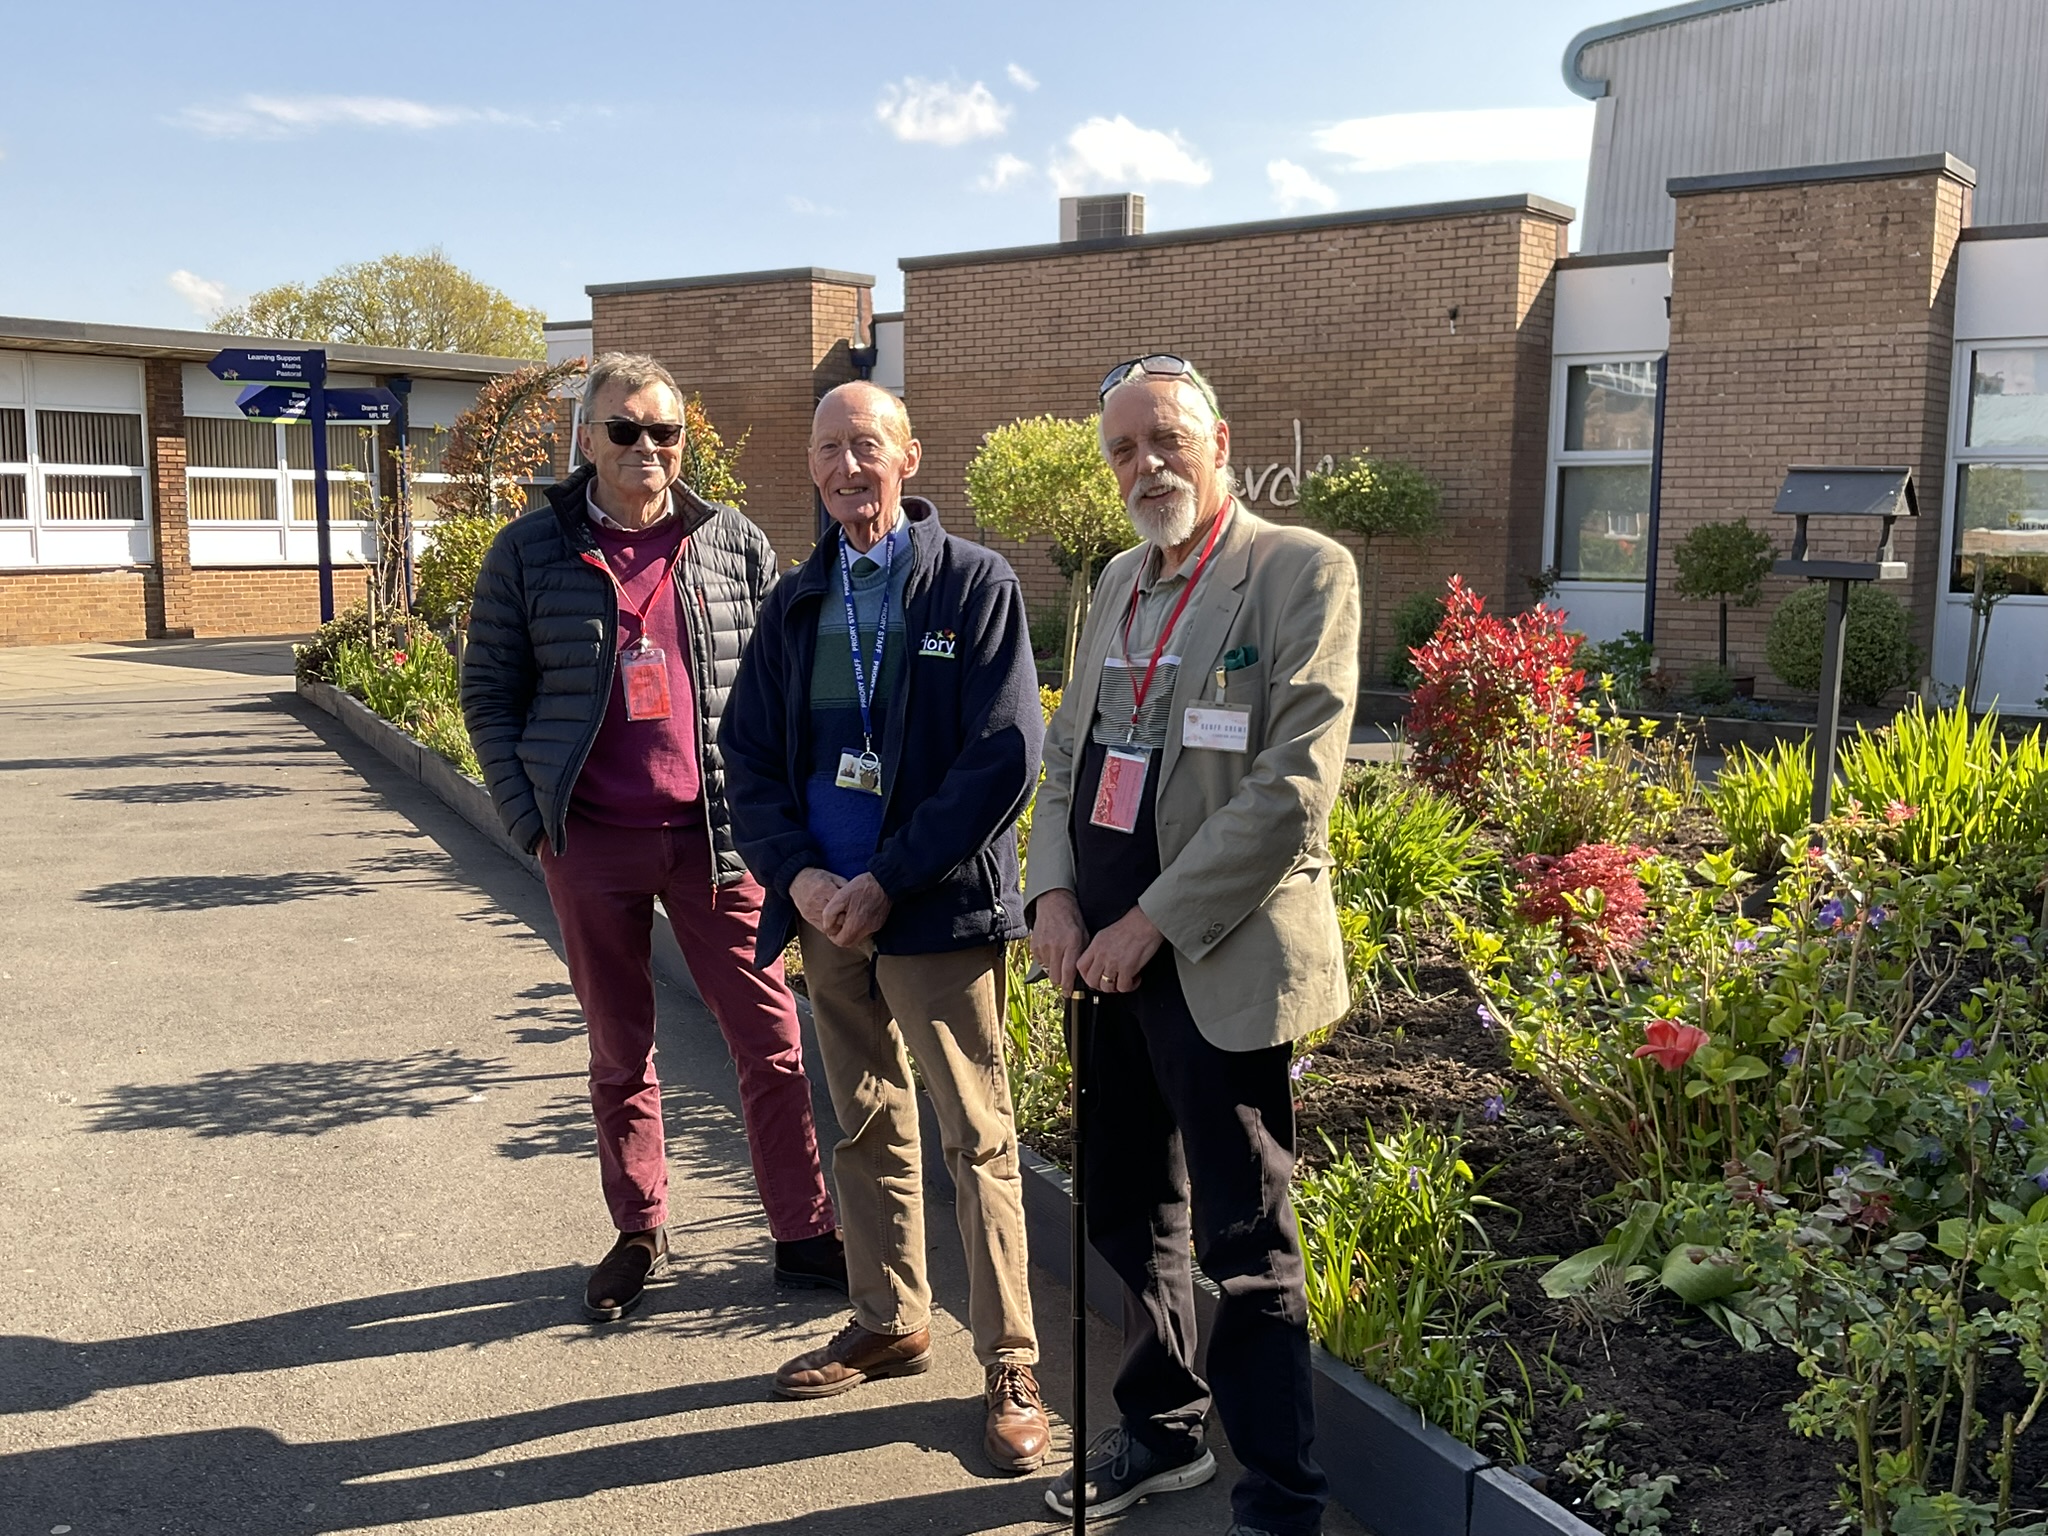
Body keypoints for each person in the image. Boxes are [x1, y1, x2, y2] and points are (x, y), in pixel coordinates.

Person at [1026, 356, 1361, 1536]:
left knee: (1246, 1245)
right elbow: (1069, 755)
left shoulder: (1300, 570)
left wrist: (1146, 922)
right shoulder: (1119, 577)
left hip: (1206, 957)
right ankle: (1163, 1433)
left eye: (1163, 437)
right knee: (1128, 1212)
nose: (1143, 464)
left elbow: (1290, 789)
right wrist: (1054, 899)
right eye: (1121, 448)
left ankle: (1280, 1502)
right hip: (1098, 961)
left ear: (1220, 439)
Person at [462, 352, 844, 1323]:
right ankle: (639, 1226)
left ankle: (802, 1230)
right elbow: (488, 692)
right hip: (589, 842)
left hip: (718, 840)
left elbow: (783, 694)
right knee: (619, 1048)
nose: (646, 448)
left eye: (663, 431)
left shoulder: (732, 544)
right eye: (625, 429)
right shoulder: (527, 552)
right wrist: (529, 819)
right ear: (584, 439)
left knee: (769, 1041)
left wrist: (785, 820)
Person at [718, 381, 1051, 1474]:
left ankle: (1008, 1361)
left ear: (909, 454)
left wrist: (890, 879)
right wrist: (802, 878)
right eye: (826, 450)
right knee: (859, 1121)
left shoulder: (972, 584)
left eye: (865, 444)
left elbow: (1002, 758)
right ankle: (889, 1315)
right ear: (811, 472)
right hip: (826, 916)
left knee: (975, 1133)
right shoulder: (797, 601)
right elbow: (752, 758)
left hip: (933, 911)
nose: (845, 467)